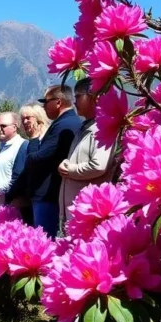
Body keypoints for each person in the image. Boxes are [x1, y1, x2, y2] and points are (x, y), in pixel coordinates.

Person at [19, 85, 81, 238]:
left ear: (58, 102)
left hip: (47, 195)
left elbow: (36, 158)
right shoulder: (71, 122)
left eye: (45, 102)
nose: (43, 106)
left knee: (44, 241)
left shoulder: (62, 125)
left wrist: (33, 138)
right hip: (53, 193)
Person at [58, 78, 117, 232]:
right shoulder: (86, 127)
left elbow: (98, 165)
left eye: (78, 96)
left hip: (88, 211)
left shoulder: (102, 128)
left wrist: (69, 170)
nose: (74, 102)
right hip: (77, 209)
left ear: (93, 98)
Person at [0, 111, 27, 211]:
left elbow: (19, 177)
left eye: (3, 126)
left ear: (15, 127)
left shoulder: (22, 146)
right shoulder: (1, 148)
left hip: (9, 208)